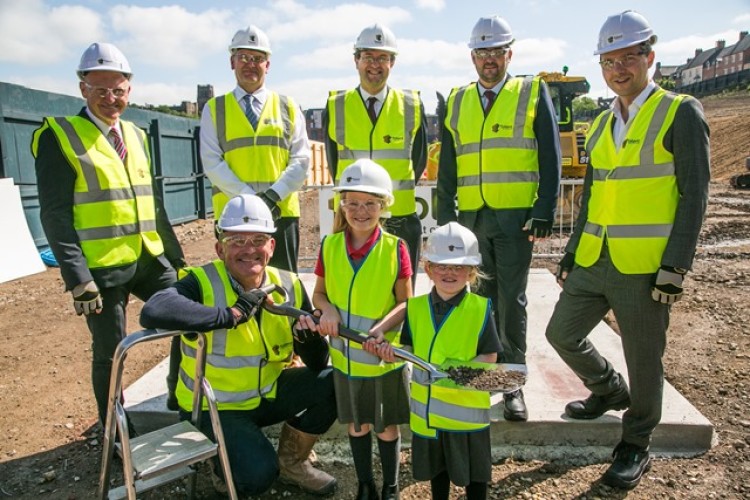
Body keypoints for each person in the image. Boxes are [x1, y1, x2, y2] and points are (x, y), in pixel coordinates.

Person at [545, 10, 710, 490]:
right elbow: (592, 195)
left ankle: (636, 443)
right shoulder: (599, 123)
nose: (618, 69)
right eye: (609, 61)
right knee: (561, 333)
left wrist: (676, 266)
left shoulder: (680, 111)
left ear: (649, 57)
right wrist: (574, 250)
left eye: (628, 58)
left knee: (644, 359)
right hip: (595, 259)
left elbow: (694, 194)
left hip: (645, 266)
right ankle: (607, 389)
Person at [31, 42, 186, 429]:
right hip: (101, 269)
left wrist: (176, 258)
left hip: (149, 259)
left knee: (193, 318)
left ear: (129, 90)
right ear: (82, 88)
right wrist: (78, 279)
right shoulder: (60, 136)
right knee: (111, 351)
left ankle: (178, 394)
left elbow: (153, 202)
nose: (110, 99)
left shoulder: (135, 135)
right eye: (100, 89)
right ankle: (113, 429)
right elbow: (54, 215)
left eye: (118, 90)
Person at [140, 194, 337, 497]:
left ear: (271, 246)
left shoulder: (289, 284)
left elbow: (317, 363)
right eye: (236, 241)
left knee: (336, 382)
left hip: (266, 395)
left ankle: (292, 463)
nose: (249, 250)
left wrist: (307, 340)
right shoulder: (201, 282)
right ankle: (223, 466)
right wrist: (230, 314)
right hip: (215, 408)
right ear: (219, 249)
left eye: (259, 239)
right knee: (257, 477)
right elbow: (154, 310)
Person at [436, 15, 562, 422]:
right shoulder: (456, 99)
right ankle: (483, 374)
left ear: (509, 54)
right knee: (477, 300)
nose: (489, 60)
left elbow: (550, 153)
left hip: (514, 219)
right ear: (472, 56)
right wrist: (445, 216)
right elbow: (448, 165)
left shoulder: (530, 91)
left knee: (511, 301)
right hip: (472, 219)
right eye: (481, 52)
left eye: (496, 52)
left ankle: (512, 383)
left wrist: (544, 209)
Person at [365, 222, 501, 500]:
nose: (449, 272)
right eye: (441, 265)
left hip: (466, 418)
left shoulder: (480, 309)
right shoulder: (415, 309)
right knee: (438, 474)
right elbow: (408, 348)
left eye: (458, 267)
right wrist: (389, 352)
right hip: (428, 416)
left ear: (471, 273)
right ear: (428, 269)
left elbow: (490, 355)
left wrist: (456, 375)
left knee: (474, 477)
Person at [311, 159, 413, 500]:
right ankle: (366, 484)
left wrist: (381, 330)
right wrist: (327, 311)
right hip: (345, 360)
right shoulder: (330, 245)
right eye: (352, 203)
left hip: (383, 359)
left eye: (370, 203)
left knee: (385, 427)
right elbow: (319, 293)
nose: (361, 211)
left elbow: (405, 303)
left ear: (383, 206)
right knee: (357, 425)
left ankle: (391, 486)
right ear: (342, 205)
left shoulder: (395, 248)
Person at [200, 25, 310, 273]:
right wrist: (248, 199)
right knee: (238, 286)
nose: (250, 64)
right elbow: (211, 162)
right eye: (244, 57)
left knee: (283, 285)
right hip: (233, 218)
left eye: (258, 58)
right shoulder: (215, 109)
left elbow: (301, 159)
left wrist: (272, 197)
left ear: (267, 65)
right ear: (232, 62)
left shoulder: (288, 106)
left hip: (281, 213)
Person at [323, 23, 427, 281]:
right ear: (356, 60)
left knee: (401, 294)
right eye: (368, 57)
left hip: (399, 217)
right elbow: (332, 160)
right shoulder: (336, 105)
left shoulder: (411, 105)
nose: (375, 64)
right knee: (353, 289)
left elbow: (420, 157)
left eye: (383, 58)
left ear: (392, 63)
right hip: (352, 217)